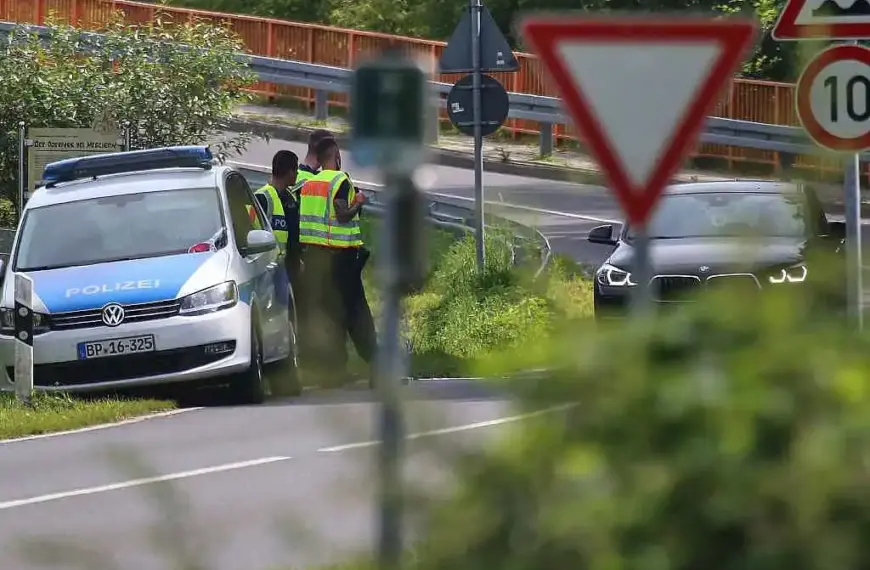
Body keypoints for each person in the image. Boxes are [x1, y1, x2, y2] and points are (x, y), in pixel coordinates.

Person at [298, 136, 377, 385]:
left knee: (330, 317)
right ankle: (378, 367)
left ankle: (332, 372)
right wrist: (358, 203)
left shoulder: (310, 184)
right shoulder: (339, 181)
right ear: (337, 156)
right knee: (357, 314)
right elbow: (342, 215)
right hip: (341, 259)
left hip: (315, 260)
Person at [254, 150, 302, 286]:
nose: (297, 174)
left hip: (288, 266)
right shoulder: (263, 197)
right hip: (269, 268)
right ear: (289, 172)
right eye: (296, 170)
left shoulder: (290, 199)